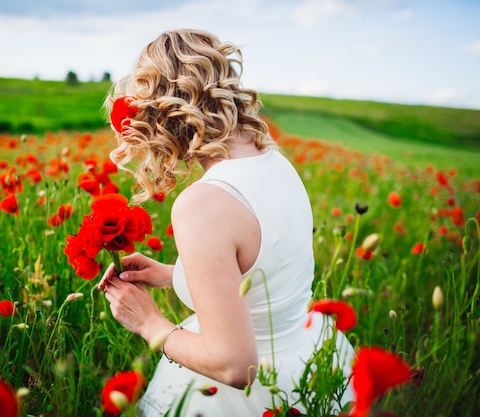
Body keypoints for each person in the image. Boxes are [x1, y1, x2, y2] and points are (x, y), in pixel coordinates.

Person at [98, 29, 355, 416]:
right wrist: (174, 274)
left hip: (249, 397)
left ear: (164, 115)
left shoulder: (203, 203)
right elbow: (262, 264)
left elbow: (235, 366)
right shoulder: (274, 161)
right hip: (306, 357)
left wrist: (149, 323)